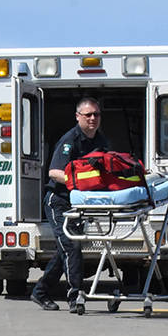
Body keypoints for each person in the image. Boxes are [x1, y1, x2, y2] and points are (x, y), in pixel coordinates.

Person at [31, 97, 109, 313]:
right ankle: (75, 296)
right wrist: (80, 181)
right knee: (72, 247)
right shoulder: (70, 141)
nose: (93, 118)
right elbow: (54, 172)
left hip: (80, 205)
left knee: (63, 250)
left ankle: (40, 292)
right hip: (58, 201)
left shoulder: (101, 141)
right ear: (78, 117)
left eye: (96, 114)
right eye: (88, 115)